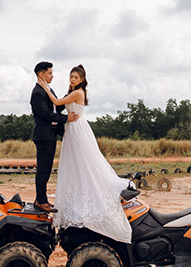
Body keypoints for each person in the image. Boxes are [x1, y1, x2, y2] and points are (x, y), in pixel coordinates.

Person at [39, 65, 133, 243]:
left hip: (78, 129)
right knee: (75, 165)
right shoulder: (73, 91)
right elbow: (62, 105)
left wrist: (45, 89)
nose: (72, 79)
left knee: (85, 163)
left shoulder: (78, 92)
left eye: (75, 77)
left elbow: (58, 103)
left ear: (81, 80)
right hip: (72, 129)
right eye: (71, 77)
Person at [30, 61, 73, 212]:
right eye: (50, 73)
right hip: (43, 135)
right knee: (43, 169)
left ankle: (42, 200)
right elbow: (45, 114)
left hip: (50, 134)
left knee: (46, 168)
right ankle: (40, 201)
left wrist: (69, 95)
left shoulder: (48, 90)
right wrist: (66, 119)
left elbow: (57, 106)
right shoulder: (37, 93)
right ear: (41, 74)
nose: (52, 76)